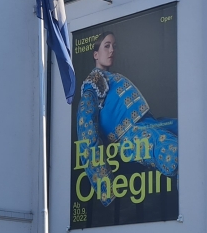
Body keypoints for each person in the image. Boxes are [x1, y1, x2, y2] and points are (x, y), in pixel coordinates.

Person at [75, 32, 178, 207]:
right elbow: (87, 133)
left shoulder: (111, 77)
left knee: (190, 129)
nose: (111, 51)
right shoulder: (92, 85)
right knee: (174, 150)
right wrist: (105, 188)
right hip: (129, 138)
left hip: (148, 124)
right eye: (106, 46)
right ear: (95, 54)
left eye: (114, 46)